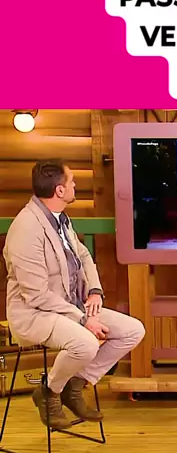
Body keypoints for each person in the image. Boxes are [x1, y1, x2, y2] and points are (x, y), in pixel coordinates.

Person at [3, 159, 145, 430]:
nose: (75, 185)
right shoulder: (26, 230)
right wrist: (83, 320)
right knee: (86, 343)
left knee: (133, 330)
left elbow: (83, 255)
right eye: (71, 181)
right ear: (59, 190)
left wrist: (94, 291)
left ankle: (73, 385)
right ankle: (48, 392)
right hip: (36, 313)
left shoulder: (60, 219)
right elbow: (37, 296)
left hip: (71, 305)